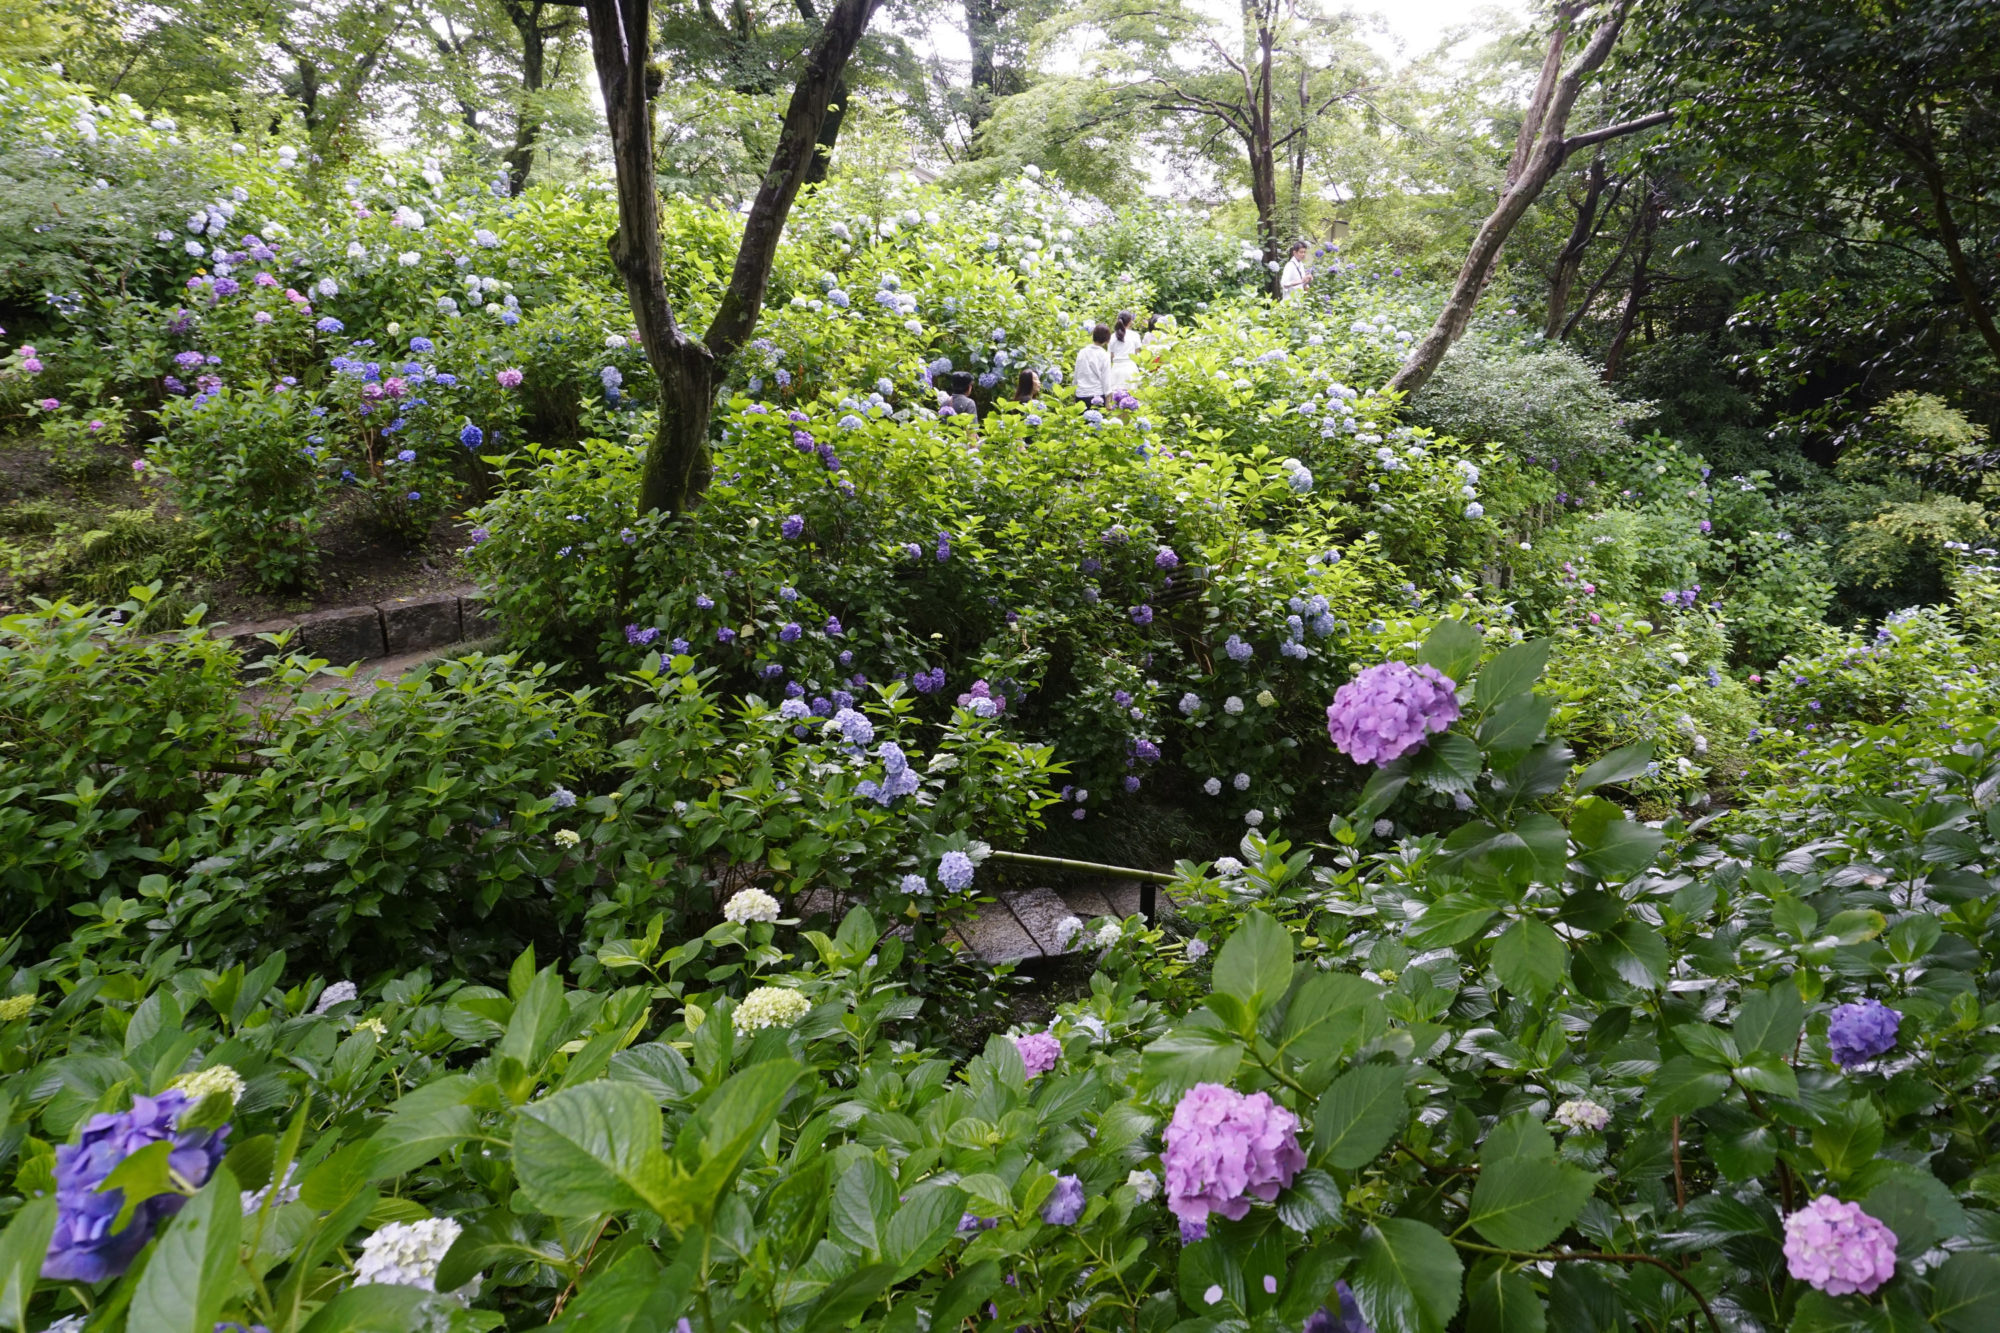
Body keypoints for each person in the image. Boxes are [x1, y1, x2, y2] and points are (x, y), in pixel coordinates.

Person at [1072, 323, 1112, 403]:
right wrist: (1108, 401)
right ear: (1107, 340)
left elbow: (1076, 375)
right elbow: (1106, 379)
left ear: (1093, 336)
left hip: (1081, 395)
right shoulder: (1104, 355)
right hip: (1097, 397)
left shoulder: (1082, 352)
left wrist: (1074, 394)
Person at [1106, 310, 1142, 394]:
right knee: (1132, 397)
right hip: (1130, 369)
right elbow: (1137, 354)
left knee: (1116, 397)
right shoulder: (1135, 335)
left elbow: (1110, 355)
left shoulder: (1112, 337)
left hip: (1116, 370)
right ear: (1130, 322)